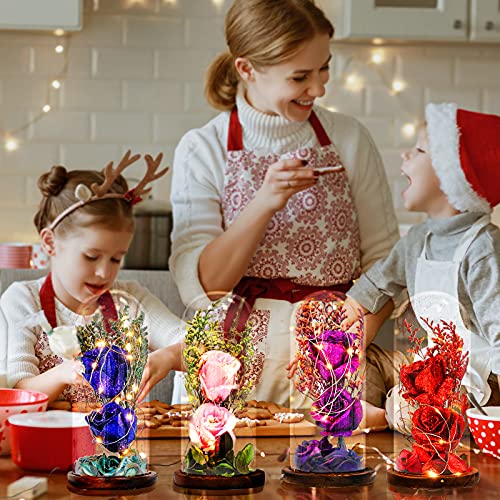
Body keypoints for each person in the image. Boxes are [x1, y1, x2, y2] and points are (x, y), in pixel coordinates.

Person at [169, 0, 399, 407]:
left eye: (324, 68)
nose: (319, 88)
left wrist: (351, 341)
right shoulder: (203, 148)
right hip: (229, 360)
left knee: (342, 468)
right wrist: (263, 204)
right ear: (247, 70)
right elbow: (205, 286)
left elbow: (387, 263)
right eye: (300, 77)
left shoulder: (349, 139)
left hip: (334, 361)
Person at [347, 103, 500, 433]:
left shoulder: (483, 247)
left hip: (474, 376)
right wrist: (347, 315)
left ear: (451, 174)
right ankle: (376, 407)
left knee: (411, 405)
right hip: (429, 362)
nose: (405, 155)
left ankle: (385, 415)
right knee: (362, 362)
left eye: (418, 149)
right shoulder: (418, 239)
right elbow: (379, 282)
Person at [0, 151, 184, 403]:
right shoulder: (23, 300)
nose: (104, 272)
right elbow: (20, 391)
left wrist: (170, 356)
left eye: (116, 259)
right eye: (91, 256)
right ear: (50, 243)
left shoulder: (130, 300)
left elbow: (202, 344)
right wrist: (64, 373)